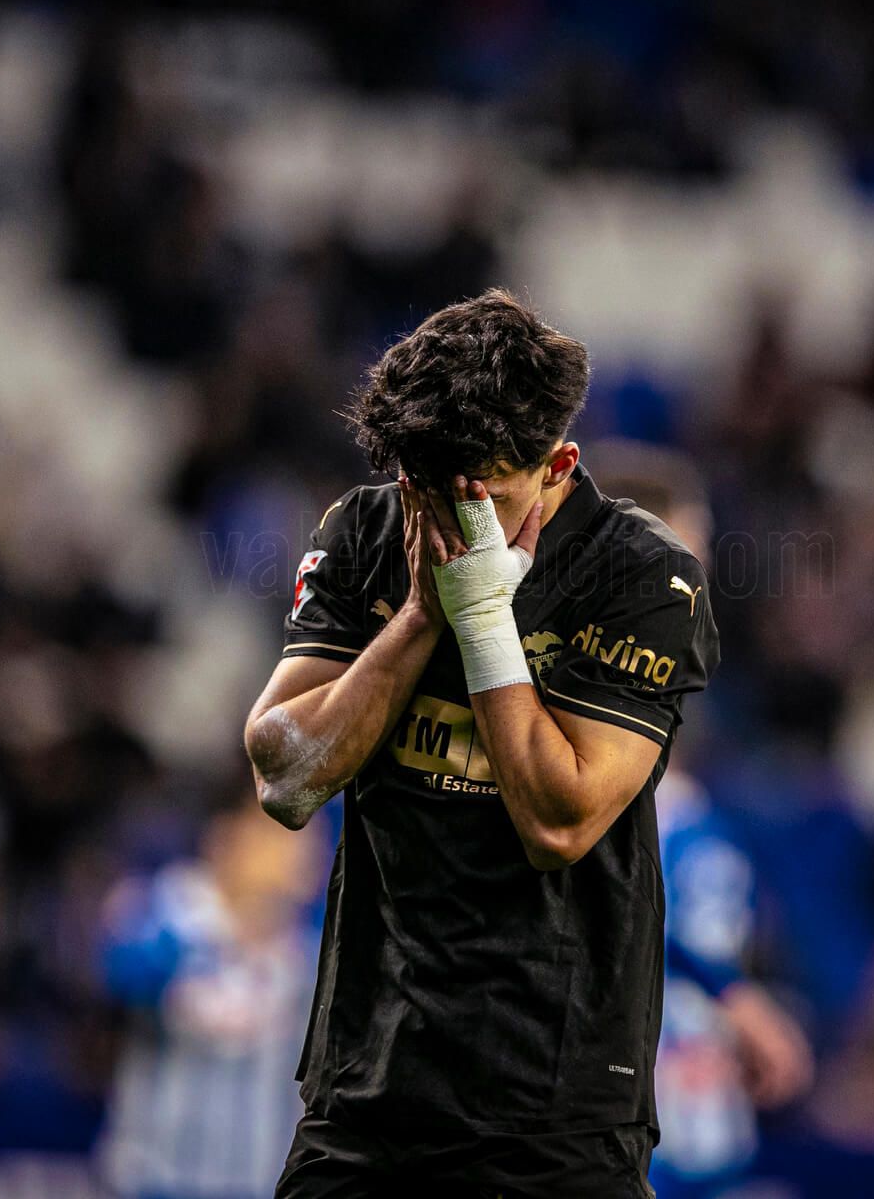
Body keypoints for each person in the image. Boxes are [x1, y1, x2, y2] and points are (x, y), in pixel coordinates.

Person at [244, 290, 720, 1196]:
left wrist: (485, 621)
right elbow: (284, 775)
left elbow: (560, 822)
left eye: (484, 499)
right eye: (426, 491)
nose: (450, 523)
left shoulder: (641, 576)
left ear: (558, 465)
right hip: (370, 1085)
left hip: (557, 1104)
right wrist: (422, 616)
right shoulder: (366, 531)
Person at [593, 449, 814, 1199]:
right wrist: (736, 999)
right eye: (690, 554)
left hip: (691, 1112)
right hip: (597, 1107)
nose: (702, 583)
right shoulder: (567, 718)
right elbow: (604, 902)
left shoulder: (682, 777)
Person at [96, 797, 325, 1199]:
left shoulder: (311, 947)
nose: (301, 852)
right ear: (227, 837)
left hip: (258, 1179)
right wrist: (220, 935)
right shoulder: (167, 911)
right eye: (282, 834)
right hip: (158, 1177)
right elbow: (121, 971)